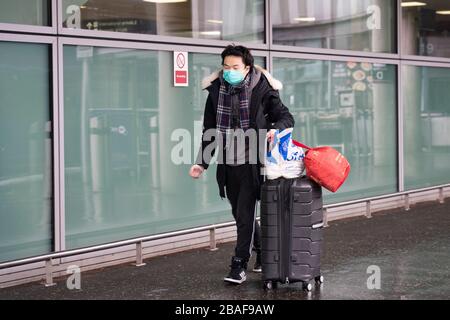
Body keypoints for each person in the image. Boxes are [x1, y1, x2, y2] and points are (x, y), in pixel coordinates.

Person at [189, 45, 294, 284]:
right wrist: (201, 163)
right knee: (239, 213)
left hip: (252, 163)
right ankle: (263, 251)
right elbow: (210, 129)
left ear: (247, 68)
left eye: (235, 67)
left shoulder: (263, 89)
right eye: (226, 67)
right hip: (228, 163)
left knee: (245, 214)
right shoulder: (216, 91)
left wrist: (273, 131)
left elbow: (286, 117)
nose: (230, 71)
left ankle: (238, 265)